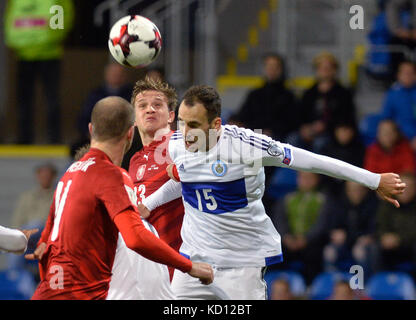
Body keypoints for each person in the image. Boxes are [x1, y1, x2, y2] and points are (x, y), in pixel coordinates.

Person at [141, 85, 406, 300]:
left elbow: (315, 161)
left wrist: (373, 179)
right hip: (194, 261)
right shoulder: (177, 144)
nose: (185, 134)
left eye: (194, 125)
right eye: (182, 123)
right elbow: (186, 178)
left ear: (216, 124)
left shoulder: (247, 146)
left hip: (241, 263)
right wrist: (148, 204)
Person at [28, 96, 213, 300]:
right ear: (130, 133)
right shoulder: (112, 175)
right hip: (79, 294)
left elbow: (44, 246)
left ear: (91, 129)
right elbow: (135, 238)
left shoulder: (70, 172)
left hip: (48, 291)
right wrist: (189, 266)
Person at [127, 77, 185, 281]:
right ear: (134, 118)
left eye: (157, 105)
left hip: (180, 264)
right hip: (148, 267)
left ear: (171, 116)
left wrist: (148, 204)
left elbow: (188, 176)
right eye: (142, 106)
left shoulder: (179, 143)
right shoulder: (134, 159)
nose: (149, 109)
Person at [4, 0, 74, 144]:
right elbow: (10, 24)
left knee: (51, 101)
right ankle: (24, 141)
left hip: (49, 54)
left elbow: (61, 22)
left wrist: (39, 39)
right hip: (24, 55)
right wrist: (38, 37)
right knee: (24, 102)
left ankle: (54, 140)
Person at [291, 52, 356, 152]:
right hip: (310, 131)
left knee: (320, 143)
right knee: (292, 139)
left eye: (328, 68)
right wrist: (304, 128)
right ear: (316, 70)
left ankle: (312, 168)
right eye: (322, 68)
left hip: (331, 132)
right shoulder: (309, 93)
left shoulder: (343, 93)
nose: (325, 71)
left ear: (334, 70)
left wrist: (326, 126)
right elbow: (300, 115)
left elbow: (346, 117)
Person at [270, 172, 327, 284]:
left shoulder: (323, 199)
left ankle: (310, 287)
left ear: (317, 179)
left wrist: (306, 239)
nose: (305, 181)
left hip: (311, 243)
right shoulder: (287, 198)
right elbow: (279, 219)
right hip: (289, 241)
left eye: (309, 178)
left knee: (314, 256)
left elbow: (322, 224)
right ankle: (274, 286)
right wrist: (286, 237)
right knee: (272, 251)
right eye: (302, 177)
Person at [235, 53, 297, 140]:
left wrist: (271, 131)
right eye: (269, 66)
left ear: (281, 70)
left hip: (279, 136)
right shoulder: (254, 94)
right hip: (256, 133)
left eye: (275, 67)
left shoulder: (288, 96)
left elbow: (291, 122)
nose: (272, 70)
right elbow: (243, 116)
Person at [376, 173, 416, 272]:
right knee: (371, 248)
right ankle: (374, 283)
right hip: (389, 246)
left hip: (409, 245)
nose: (406, 190)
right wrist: (384, 236)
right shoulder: (388, 203)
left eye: (410, 187)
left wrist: (399, 239)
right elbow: (379, 225)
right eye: (402, 186)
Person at [378, 61, 416, 151]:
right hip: (399, 137)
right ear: (399, 75)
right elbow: (386, 118)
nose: (408, 76)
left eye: (411, 73)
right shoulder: (393, 94)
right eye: (405, 73)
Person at [11, 163, 57, 228]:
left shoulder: (58, 197)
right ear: (38, 176)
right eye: (43, 176)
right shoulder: (26, 197)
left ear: (53, 177)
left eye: (47, 176)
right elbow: (17, 221)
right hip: (27, 233)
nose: (45, 178)